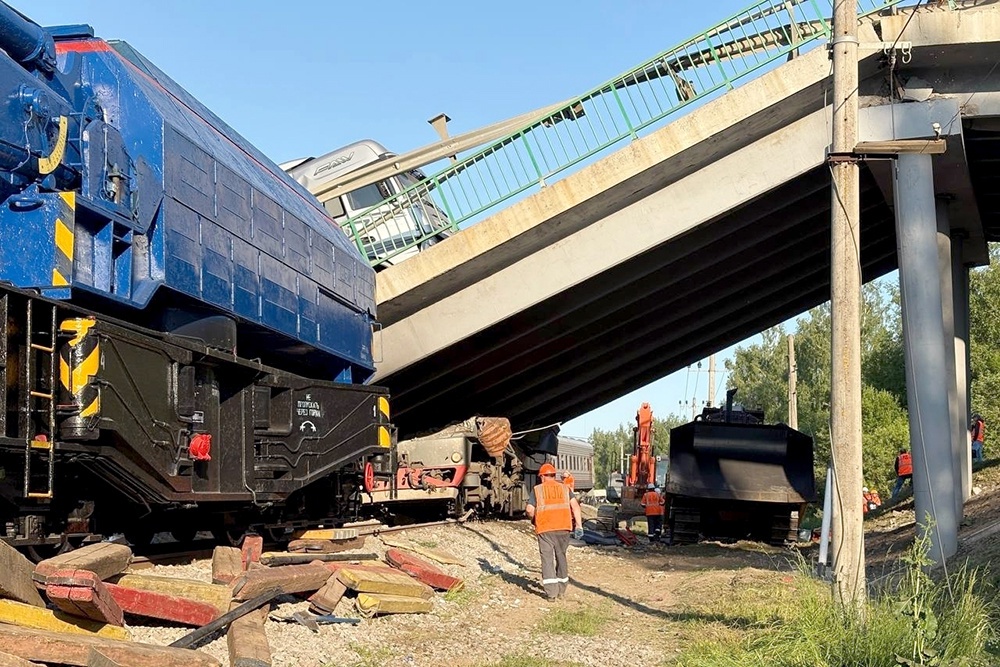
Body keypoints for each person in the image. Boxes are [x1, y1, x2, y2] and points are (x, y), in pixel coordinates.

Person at [525, 463, 583, 600]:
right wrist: (579, 526)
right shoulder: (564, 488)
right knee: (561, 556)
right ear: (554, 476)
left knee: (547, 559)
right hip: (564, 528)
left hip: (545, 529)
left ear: (542, 477)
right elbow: (575, 506)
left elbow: (529, 509)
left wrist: (534, 519)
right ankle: (562, 589)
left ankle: (551, 594)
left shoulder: (537, 490)